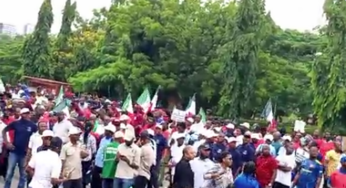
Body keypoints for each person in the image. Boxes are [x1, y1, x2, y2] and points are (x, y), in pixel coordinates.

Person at [2, 108, 37, 188]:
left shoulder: (33, 125)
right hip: (14, 152)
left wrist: (30, 151)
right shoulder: (16, 123)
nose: (27, 114)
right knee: (9, 173)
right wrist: (7, 143)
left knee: (23, 175)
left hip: (25, 154)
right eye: (25, 113)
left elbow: (36, 137)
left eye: (28, 113)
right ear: (21, 114)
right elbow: (4, 130)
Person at [91, 124, 116, 188]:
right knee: (94, 183)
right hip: (97, 164)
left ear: (110, 133)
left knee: (101, 184)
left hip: (104, 165)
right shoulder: (103, 139)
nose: (104, 131)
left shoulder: (112, 142)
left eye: (106, 131)